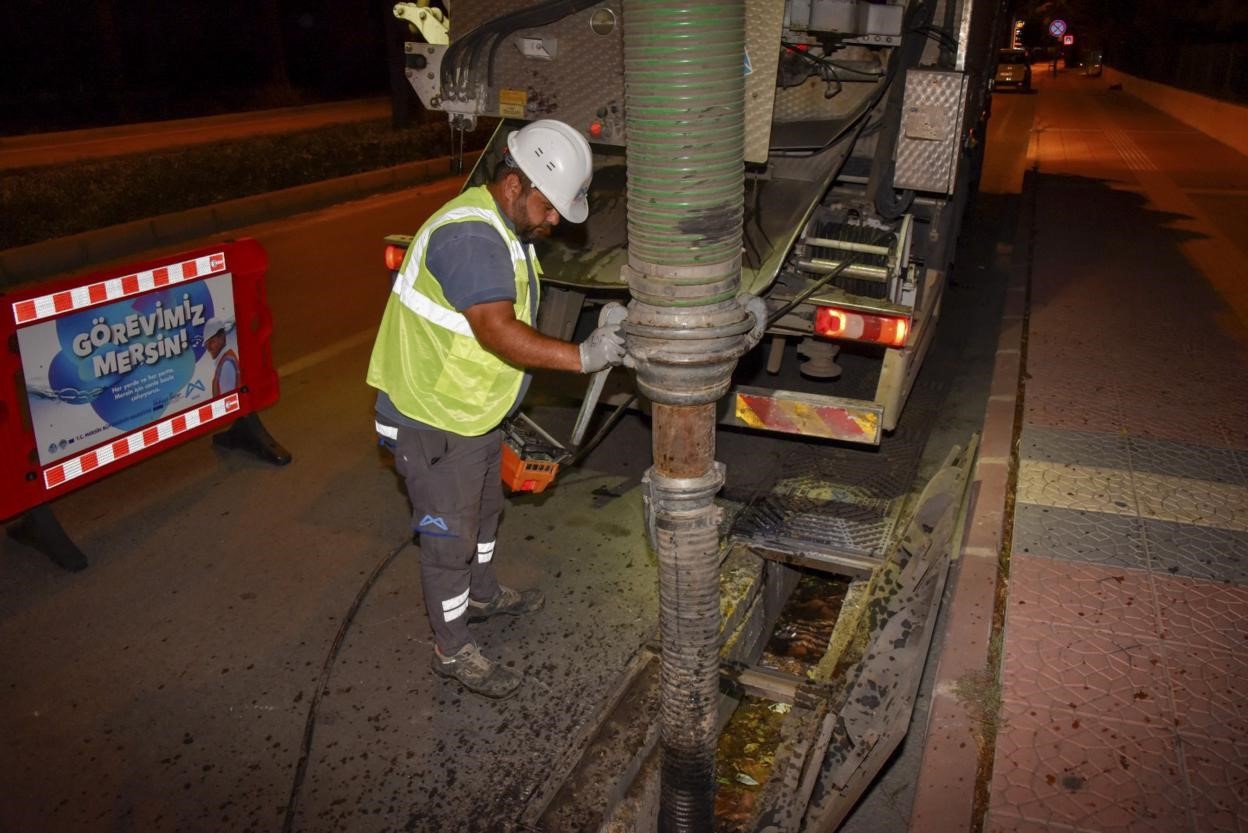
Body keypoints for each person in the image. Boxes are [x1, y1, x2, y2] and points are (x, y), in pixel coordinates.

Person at [365, 119, 626, 699]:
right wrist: (582, 356)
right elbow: (497, 331)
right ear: (515, 184)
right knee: (449, 542)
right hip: (433, 418)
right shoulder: (470, 238)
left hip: (471, 413)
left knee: (484, 517)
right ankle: (452, 648)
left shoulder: (503, 228)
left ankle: (481, 597)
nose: (554, 220)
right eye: (549, 206)